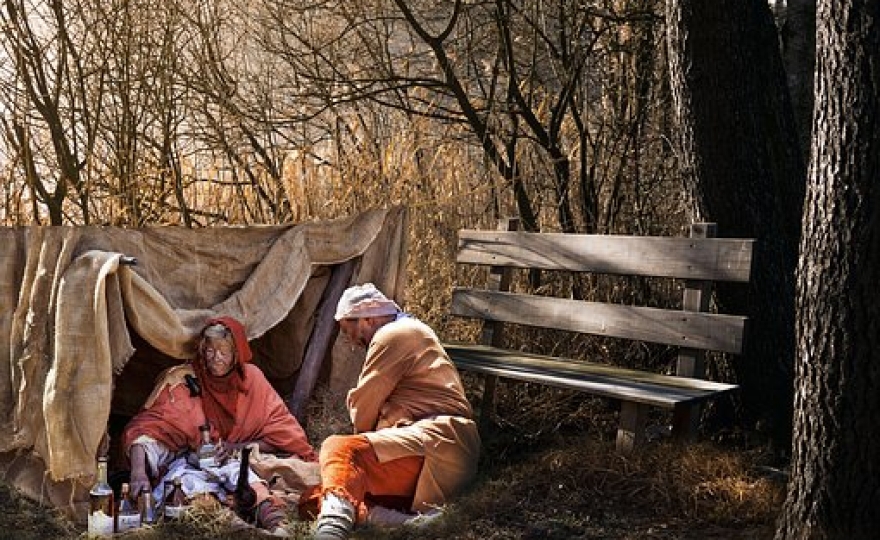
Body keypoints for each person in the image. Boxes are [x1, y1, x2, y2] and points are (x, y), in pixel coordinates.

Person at [309, 283, 481, 539]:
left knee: (338, 449)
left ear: (368, 318)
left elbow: (363, 412)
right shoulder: (410, 331)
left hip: (439, 443)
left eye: (349, 330)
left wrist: (360, 439)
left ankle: (330, 534)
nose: (352, 342)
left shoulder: (394, 334)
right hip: (434, 451)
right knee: (316, 495)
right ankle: (410, 523)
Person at [122, 316, 317, 532]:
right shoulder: (183, 382)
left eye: (224, 352)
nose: (216, 358)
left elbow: (282, 436)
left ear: (237, 355)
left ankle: (279, 526)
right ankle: (241, 530)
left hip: (235, 461)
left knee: (247, 480)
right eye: (210, 351)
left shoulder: (251, 381)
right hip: (186, 463)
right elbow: (145, 431)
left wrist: (234, 448)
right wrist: (138, 473)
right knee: (187, 488)